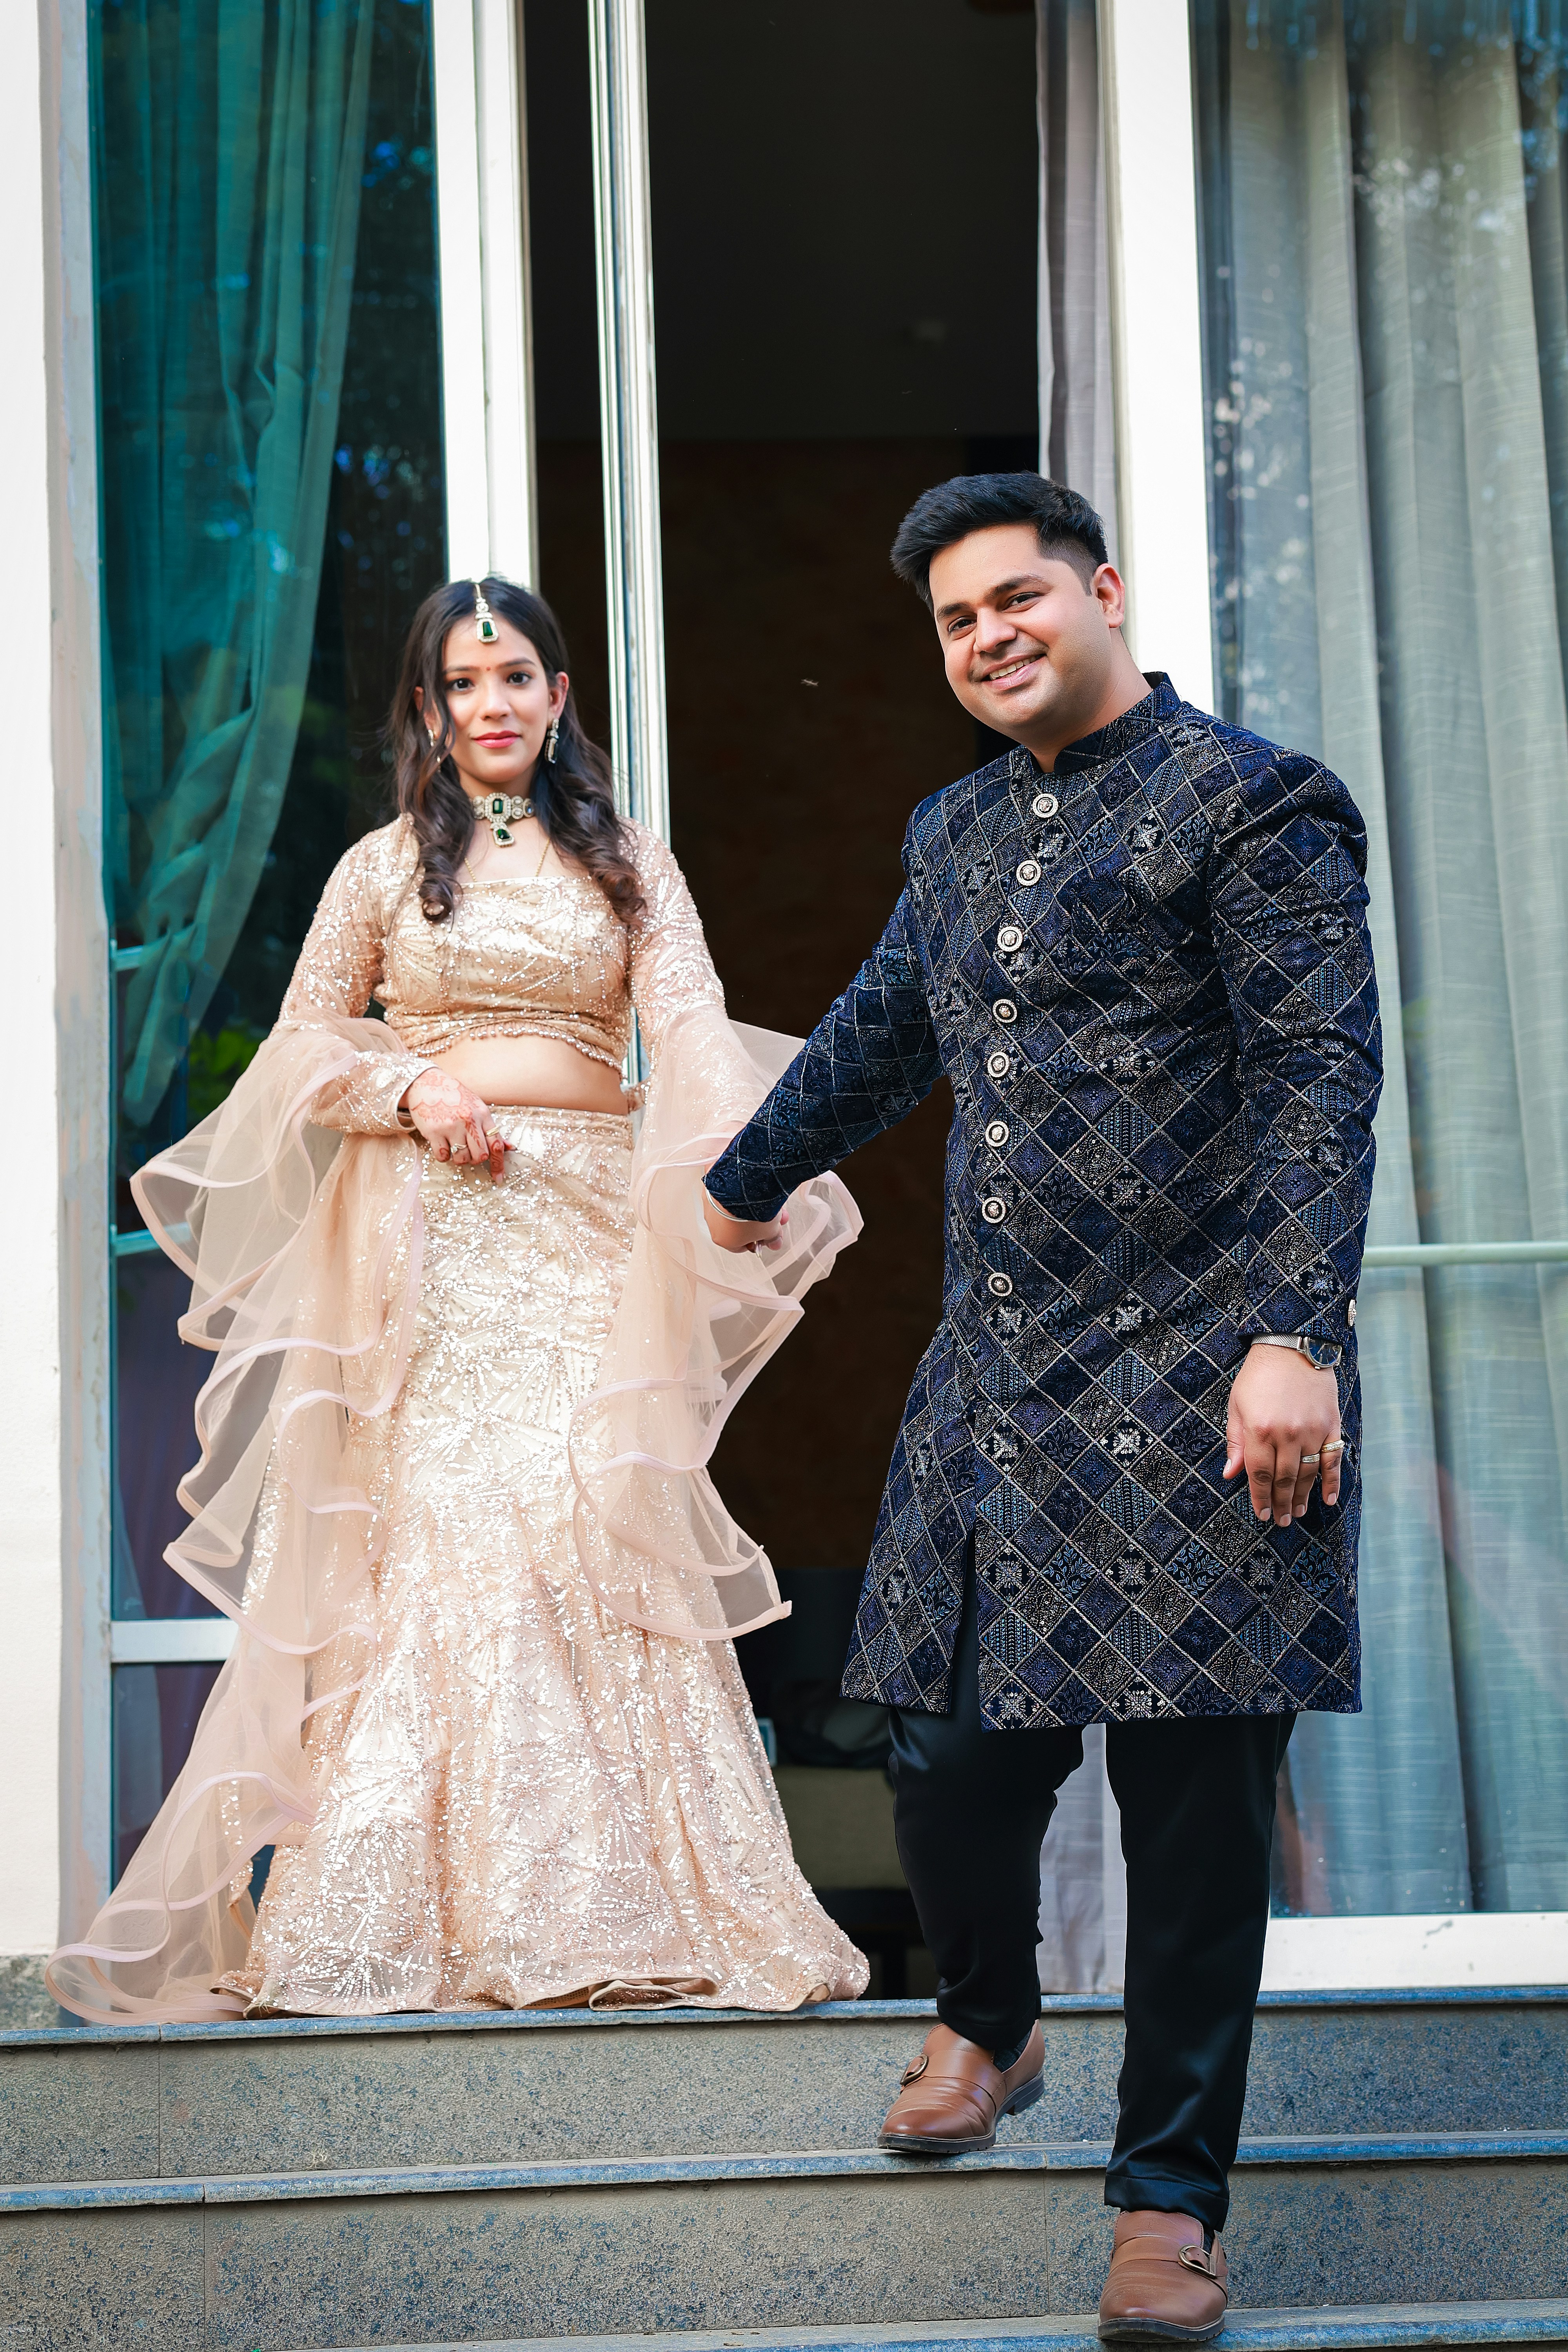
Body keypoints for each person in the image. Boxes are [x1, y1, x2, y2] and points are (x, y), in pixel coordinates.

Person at [702, 475, 1381, 2342]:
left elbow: (1324, 1085)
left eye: (1015, 599)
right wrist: (739, 1178)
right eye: (953, 622)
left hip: (1208, 1375)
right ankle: (989, 2021)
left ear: (1100, 592)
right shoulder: (953, 832)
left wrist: (1292, 1337)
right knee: (940, 1747)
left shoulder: (1255, 806)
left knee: (1191, 1816)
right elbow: (883, 1026)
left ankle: (1168, 2205)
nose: (988, 636)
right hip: (998, 1382)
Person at [51, 577, 866, 2023]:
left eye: (517, 678)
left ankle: (629, 1904)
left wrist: (749, 1173)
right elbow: (299, 1049)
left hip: (589, 1232)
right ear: (429, 710)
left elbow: (686, 1024)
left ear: (558, 699)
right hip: (433, 1239)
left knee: (588, 1521)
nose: (491, 705)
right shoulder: (378, 872)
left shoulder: (629, 865)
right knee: (449, 1536)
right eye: (460, 685)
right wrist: (411, 1083)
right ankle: (402, 1921)